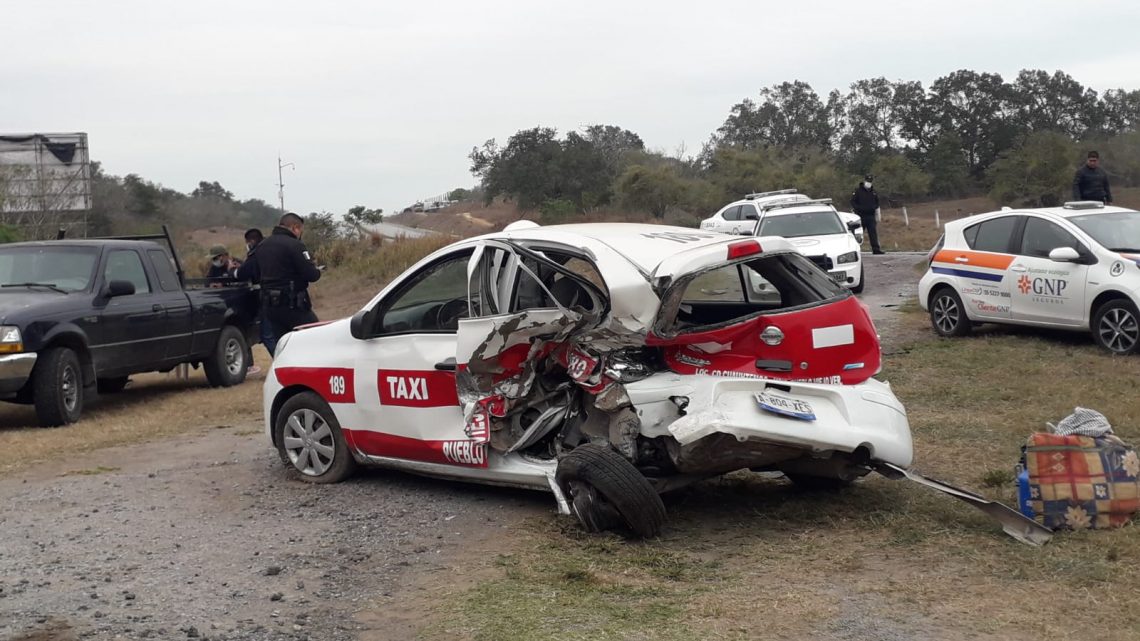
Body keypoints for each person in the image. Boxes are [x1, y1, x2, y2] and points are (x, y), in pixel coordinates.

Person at [256, 213, 322, 348]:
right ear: (295, 227)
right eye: (300, 231)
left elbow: (257, 273)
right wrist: (317, 269)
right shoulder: (295, 245)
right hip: (293, 304)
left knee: (284, 346)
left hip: (270, 306)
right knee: (316, 338)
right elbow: (311, 275)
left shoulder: (262, 246)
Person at [849, 174, 883, 255]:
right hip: (860, 216)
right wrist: (858, 208)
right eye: (868, 181)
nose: (869, 182)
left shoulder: (874, 192)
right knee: (858, 233)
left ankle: (876, 249)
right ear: (865, 181)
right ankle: (854, 250)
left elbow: (877, 202)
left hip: (870, 216)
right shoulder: (858, 191)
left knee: (873, 233)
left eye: (870, 181)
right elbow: (852, 201)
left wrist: (874, 208)